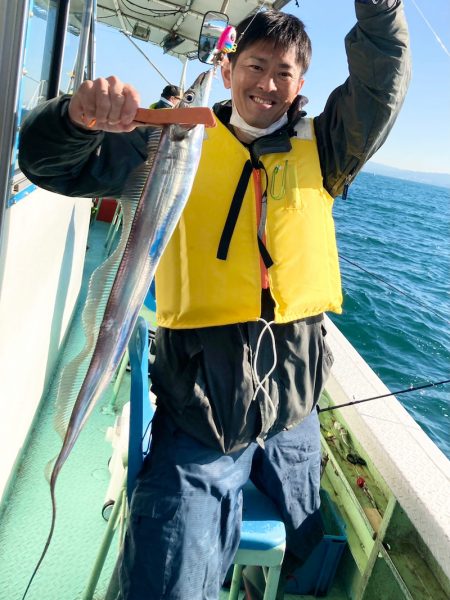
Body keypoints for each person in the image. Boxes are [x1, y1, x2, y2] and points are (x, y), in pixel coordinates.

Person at [18, 2, 410, 599]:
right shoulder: (167, 139)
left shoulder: (328, 146)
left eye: (284, 72)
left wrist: (381, 12)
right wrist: (72, 117)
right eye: (255, 65)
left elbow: (380, 85)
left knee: (306, 538)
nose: (268, 84)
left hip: (292, 406)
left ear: (301, 84)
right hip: (201, 407)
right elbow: (48, 164)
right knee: (170, 577)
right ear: (227, 71)